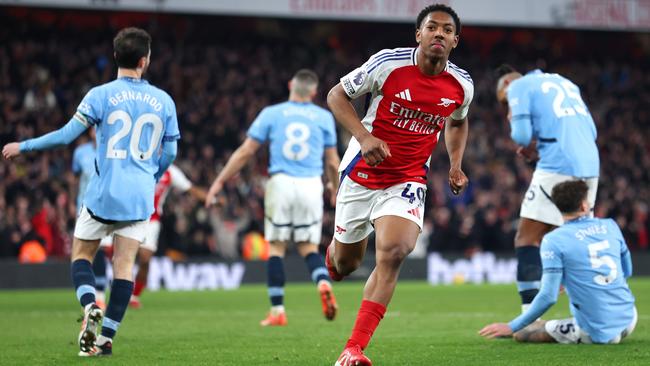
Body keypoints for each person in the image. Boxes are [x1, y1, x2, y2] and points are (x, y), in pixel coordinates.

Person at [2, 27, 180, 357]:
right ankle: (105, 339)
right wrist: (150, 174)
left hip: (103, 195)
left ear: (116, 57)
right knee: (124, 267)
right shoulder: (164, 101)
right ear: (145, 61)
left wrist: (23, 146)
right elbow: (169, 155)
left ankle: (88, 306)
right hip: (140, 198)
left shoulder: (100, 95)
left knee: (82, 256)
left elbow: (66, 136)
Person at [325, 4, 473, 365]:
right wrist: (363, 137)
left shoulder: (462, 85)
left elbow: (457, 121)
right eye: (432, 28)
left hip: (407, 179)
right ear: (418, 35)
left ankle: (354, 347)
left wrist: (455, 164)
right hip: (362, 174)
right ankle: (332, 258)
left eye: (446, 30)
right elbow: (336, 96)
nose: (439, 33)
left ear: (455, 40)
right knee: (345, 264)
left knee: (394, 251)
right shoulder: (388, 64)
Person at [205, 69, 341, 326]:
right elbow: (333, 161)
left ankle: (278, 311)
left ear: (291, 85)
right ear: (313, 92)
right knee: (308, 247)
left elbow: (246, 152)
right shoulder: (323, 117)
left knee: (276, 246)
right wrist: (334, 188)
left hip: (280, 183)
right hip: (311, 184)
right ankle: (323, 282)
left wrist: (220, 181)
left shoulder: (272, 113)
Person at [495, 64, 600, 313]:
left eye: (505, 102)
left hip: (558, 164)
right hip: (591, 164)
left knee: (527, 238)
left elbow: (521, 135)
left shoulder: (518, 87)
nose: (507, 108)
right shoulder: (566, 82)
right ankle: (592, 310)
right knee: (575, 238)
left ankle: (530, 316)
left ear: (507, 86)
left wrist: (520, 129)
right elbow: (592, 130)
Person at [479, 180, 637, 344]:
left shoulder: (553, 240)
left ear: (558, 209)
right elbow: (627, 270)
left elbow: (548, 296)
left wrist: (512, 326)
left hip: (595, 330)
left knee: (523, 333)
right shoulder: (610, 225)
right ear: (584, 206)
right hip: (629, 317)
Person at [129, 164, 207, 308]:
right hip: (129, 217)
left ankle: (134, 295)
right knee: (124, 255)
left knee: (145, 258)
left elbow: (190, 188)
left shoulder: (170, 171)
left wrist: (211, 199)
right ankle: (113, 291)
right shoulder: (138, 162)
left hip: (152, 221)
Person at [72, 129, 108, 310]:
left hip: (106, 208)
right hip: (83, 207)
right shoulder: (80, 153)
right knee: (84, 253)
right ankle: (92, 296)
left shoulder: (111, 150)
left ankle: (97, 295)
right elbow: (75, 179)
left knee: (99, 251)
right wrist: (73, 203)